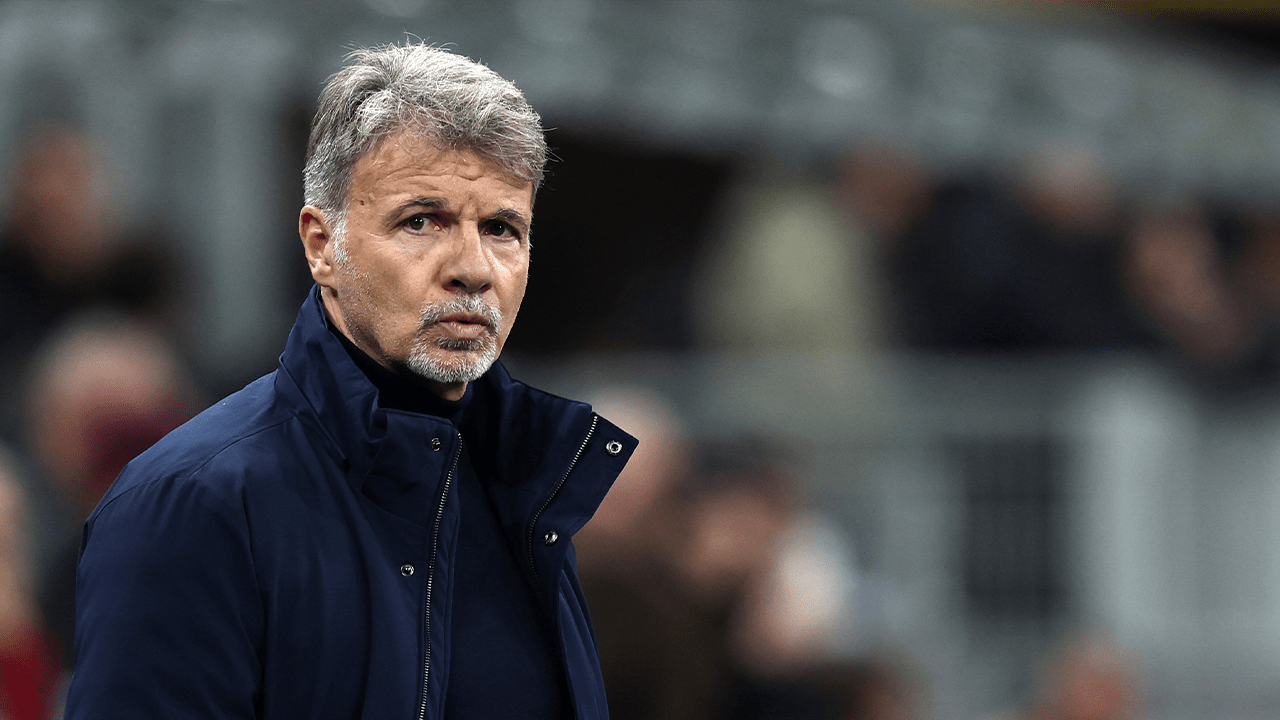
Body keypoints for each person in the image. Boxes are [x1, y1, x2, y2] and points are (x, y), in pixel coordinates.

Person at [66, 42, 636, 719]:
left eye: (502, 228)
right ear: (322, 246)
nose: (473, 268)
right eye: (422, 221)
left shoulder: (529, 486)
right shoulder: (189, 504)